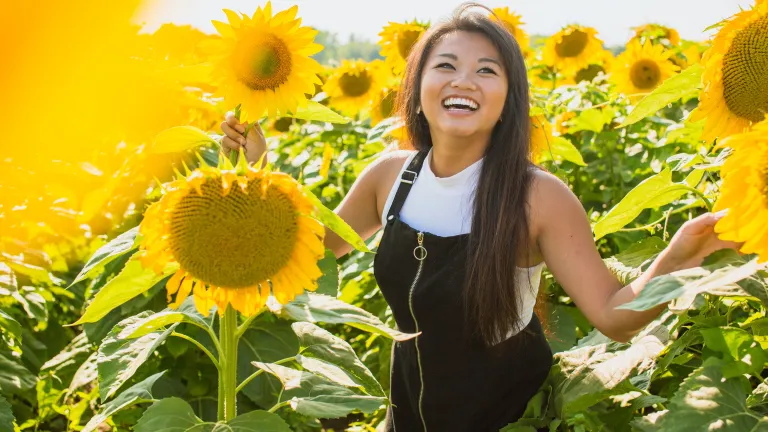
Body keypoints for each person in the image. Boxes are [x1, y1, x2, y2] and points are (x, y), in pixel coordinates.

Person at [220, 4, 740, 431]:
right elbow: (303, 256)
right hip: (406, 418)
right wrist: (258, 172)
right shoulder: (389, 177)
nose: (462, 81)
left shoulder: (537, 197)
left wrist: (676, 259)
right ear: (417, 88)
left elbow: (610, 314)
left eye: (486, 71)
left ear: (508, 100)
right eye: (444, 65)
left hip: (507, 419)